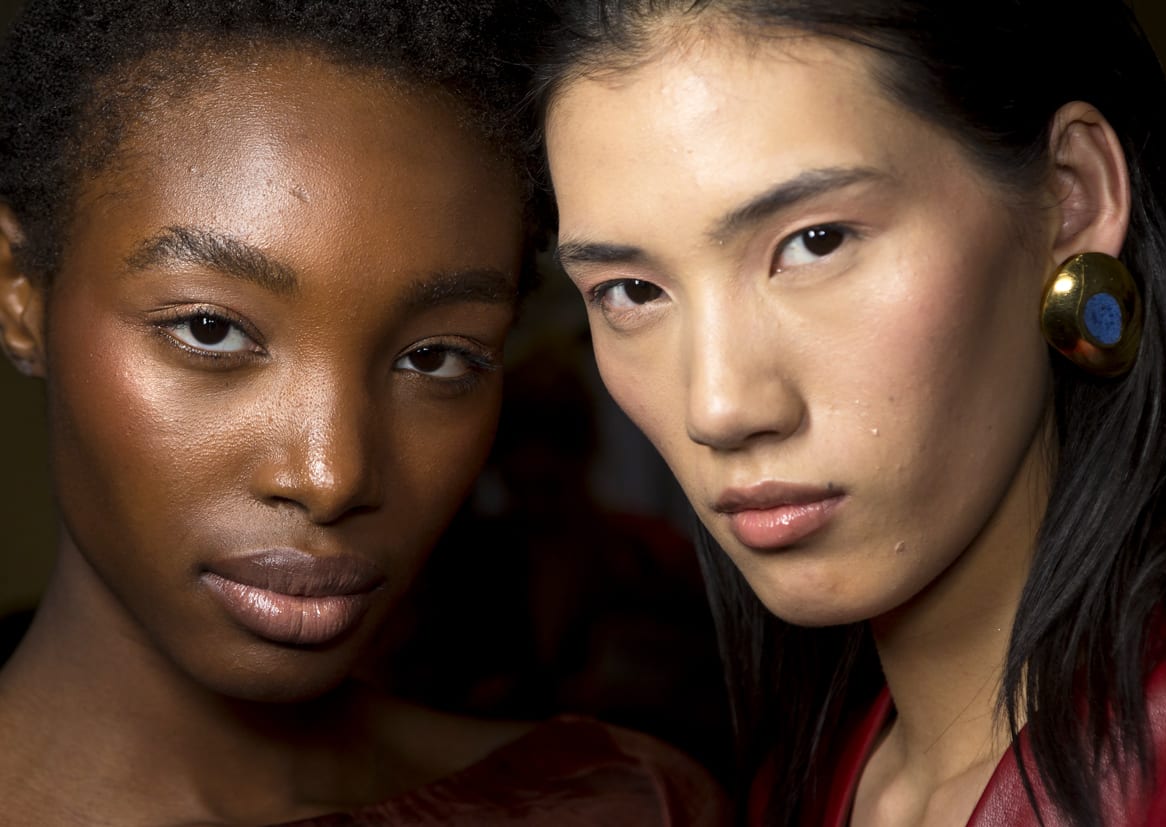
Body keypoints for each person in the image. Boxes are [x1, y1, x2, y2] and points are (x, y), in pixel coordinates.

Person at [0, 1, 729, 824]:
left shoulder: (627, 802)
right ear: (18, 291)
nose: (331, 476)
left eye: (434, 357)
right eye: (211, 330)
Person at [537, 1, 1166, 824]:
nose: (720, 407)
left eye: (818, 241)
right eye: (631, 291)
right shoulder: (800, 780)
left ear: (1071, 199)